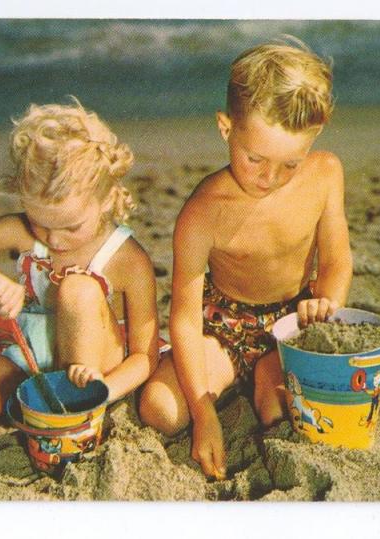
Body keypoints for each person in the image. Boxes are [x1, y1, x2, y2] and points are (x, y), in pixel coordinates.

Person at [138, 39, 353, 480]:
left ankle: (261, 377)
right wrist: (203, 414)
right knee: (160, 409)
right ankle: (224, 383)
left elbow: (335, 262)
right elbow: (183, 318)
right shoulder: (203, 212)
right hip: (222, 326)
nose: (269, 178)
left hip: (293, 319)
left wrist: (325, 304)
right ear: (225, 127)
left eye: (290, 164)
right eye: (254, 158)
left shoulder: (326, 173)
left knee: (281, 407)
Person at [0, 100, 162, 431]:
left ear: (107, 199)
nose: (55, 240)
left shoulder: (127, 259)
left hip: (94, 365)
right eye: (40, 223)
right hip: (31, 350)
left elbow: (144, 357)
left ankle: (78, 411)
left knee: (77, 288)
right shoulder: (21, 233)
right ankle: (33, 400)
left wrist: (105, 390)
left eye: (71, 226)